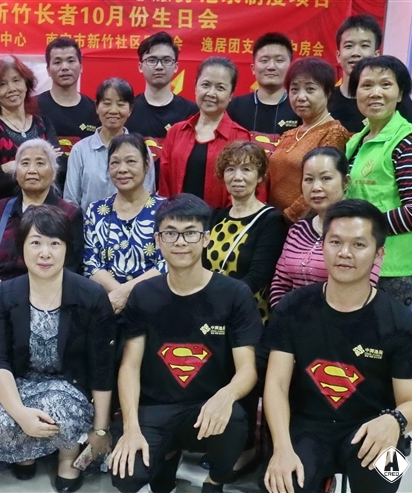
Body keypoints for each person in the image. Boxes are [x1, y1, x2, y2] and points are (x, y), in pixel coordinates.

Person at [263, 199, 412, 493]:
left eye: (359, 245)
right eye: (335, 242)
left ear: (379, 253)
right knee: (281, 484)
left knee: (388, 476)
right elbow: (276, 384)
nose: (344, 253)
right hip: (308, 426)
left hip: (375, 425)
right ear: (323, 245)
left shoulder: (401, 322)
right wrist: (281, 448)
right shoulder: (293, 307)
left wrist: (395, 421)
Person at [108, 194, 262, 493]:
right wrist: (130, 428)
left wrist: (226, 395)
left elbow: (247, 369)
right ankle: (167, 457)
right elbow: (130, 365)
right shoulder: (143, 294)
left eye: (190, 233)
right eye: (170, 233)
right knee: (126, 477)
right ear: (158, 240)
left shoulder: (234, 294)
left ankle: (215, 480)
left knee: (234, 420)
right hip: (156, 407)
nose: (180, 242)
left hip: (205, 405)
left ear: (206, 238)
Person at [0, 205, 115, 492]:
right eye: (36, 243)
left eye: (55, 243)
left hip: (70, 386)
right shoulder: (5, 294)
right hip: (23, 382)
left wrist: (101, 429)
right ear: (22, 247)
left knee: (59, 407)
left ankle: (67, 457)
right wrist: (20, 413)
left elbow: (102, 364)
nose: (45, 253)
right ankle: (26, 451)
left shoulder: (91, 295)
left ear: (67, 248)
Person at [345, 55, 412, 307]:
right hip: (359, 259)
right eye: (366, 85)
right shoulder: (356, 140)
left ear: (400, 94)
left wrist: (361, 230)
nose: (375, 93)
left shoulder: (408, 143)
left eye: (386, 84)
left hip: (393, 268)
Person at [270, 147, 380, 307]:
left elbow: (363, 291)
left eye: (326, 178)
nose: (316, 187)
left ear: (345, 182)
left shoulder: (362, 231)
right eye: (309, 179)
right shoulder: (297, 230)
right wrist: (283, 316)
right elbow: (280, 284)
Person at [0, 139, 82, 304]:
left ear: (54, 173)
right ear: (16, 172)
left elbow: (71, 268)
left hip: (47, 300)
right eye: (25, 163)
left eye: (40, 163)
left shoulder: (69, 214)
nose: (32, 170)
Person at [84, 134, 167, 315]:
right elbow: (90, 264)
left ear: (146, 165)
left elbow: (166, 263)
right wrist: (117, 295)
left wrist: (125, 293)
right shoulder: (96, 211)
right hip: (108, 306)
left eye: (131, 161)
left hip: (154, 307)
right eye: (115, 163)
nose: (122, 169)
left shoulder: (166, 210)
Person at [206, 141, 286, 321]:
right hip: (209, 311)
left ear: (260, 176)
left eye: (246, 169)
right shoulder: (216, 217)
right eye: (230, 169)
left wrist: (219, 302)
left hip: (247, 315)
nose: (237, 177)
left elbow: (258, 276)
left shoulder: (271, 220)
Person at [266, 57, 351, 224]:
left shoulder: (334, 132)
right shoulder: (289, 134)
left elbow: (321, 187)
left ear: (328, 92)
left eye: (310, 89)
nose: (300, 97)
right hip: (273, 221)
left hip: (303, 226)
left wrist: (286, 218)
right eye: (294, 89)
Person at [159, 57, 252, 209]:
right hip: (176, 219)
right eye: (206, 85)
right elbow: (165, 184)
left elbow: (243, 192)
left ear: (231, 94)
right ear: (195, 87)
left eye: (220, 88)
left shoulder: (240, 137)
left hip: (221, 221)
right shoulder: (176, 132)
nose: (211, 93)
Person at [0, 56, 61, 207]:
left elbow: (58, 167)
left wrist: (12, 166)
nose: (12, 89)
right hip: (2, 210)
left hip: (43, 207)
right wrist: (40, 167)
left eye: (16, 80)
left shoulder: (43, 124)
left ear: (26, 84)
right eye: (2, 84)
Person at [65, 79, 153, 213]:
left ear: (130, 109)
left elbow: (148, 196)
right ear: (97, 107)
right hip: (88, 224)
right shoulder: (80, 150)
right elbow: (70, 202)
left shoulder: (141, 149)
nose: (113, 110)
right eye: (106, 104)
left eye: (121, 104)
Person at [124, 31, 198, 175]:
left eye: (166, 60)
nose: (159, 66)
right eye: (152, 60)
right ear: (140, 66)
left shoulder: (192, 113)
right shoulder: (127, 110)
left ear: (176, 66)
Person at [329, 15, 412, 133]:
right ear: (338, 55)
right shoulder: (326, 99)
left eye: (364, 46)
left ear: (376, 54)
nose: (356, 53)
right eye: (349, 46)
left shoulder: (393, 99)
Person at [226, 33, 299, 152]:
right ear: (253, 68)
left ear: (291, 67)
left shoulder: (299, 108)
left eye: (279, 60)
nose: (271, 66)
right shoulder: (234, 107)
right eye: (264, 60)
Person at [36, 37, 98, 158]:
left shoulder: (95, 110)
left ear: (81, 66)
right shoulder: (33, 107)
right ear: (48, 70)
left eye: (70, 61)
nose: (64, 67)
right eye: (57, 62)